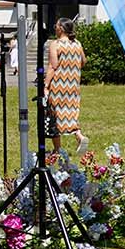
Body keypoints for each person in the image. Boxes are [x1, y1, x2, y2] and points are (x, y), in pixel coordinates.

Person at [43, 17, 86, 154]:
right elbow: (83, 61)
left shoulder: (55, 44)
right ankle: (79, 136)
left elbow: (53, 66)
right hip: (73, 84)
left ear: (61, 28)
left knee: (54, 115)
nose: (55, 28)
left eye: (56, 26)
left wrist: (46, 84)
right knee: (70, 113)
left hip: (58, 84)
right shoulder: (77, 44)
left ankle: (57, 148)